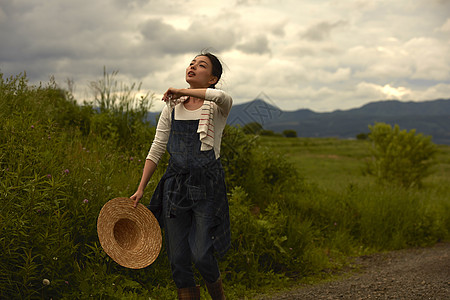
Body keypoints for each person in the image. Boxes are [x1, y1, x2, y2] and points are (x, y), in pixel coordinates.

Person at [130, 51, 232, 300]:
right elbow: (157, 147)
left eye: (201, 65)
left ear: (212, 78)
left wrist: (179, 90)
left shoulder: (217, 107)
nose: (193, 67)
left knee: (201, 253)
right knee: (178, 259)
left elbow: (220, 95)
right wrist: (141, 187)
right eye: (191, 63)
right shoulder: (172, 107)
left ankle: (218, 296)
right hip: (175, 187)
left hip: (207, 186)